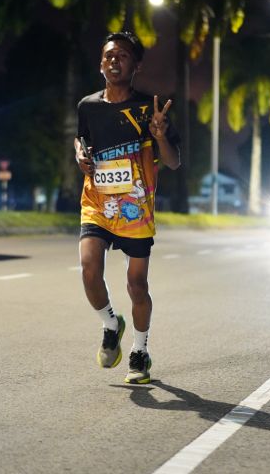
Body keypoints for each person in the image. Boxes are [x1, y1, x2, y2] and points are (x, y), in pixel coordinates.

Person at [75, 31, 180, 384]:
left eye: (122, 55)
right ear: (100, 63)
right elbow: (82, 141)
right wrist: (80, 156)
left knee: (137, 285)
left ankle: (139, 350)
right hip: (98, 203)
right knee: (89, 269)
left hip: (136, 207)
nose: (114, 60)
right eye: (108, 55)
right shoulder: (87, 106)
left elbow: (174, 162)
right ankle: (110, 324)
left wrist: (160, 136)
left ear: (136, 65)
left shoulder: (150, 109)